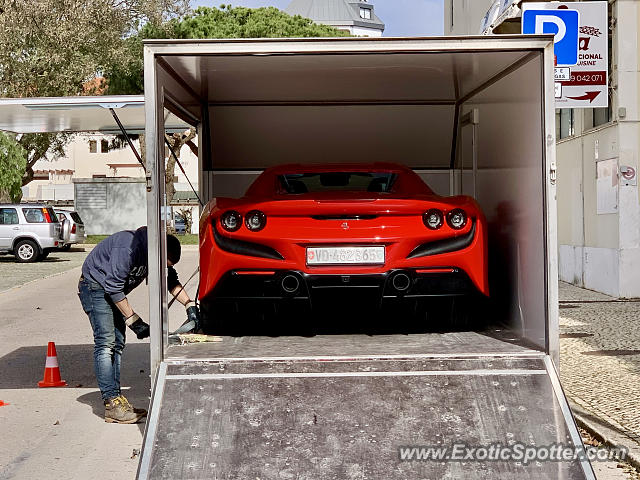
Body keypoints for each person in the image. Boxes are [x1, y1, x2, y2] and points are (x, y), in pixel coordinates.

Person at [78, 226, 200, 424]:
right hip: (95, 287)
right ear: (158, 253)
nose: (164, 268)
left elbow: (171, 282)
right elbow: (113, 287)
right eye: (164, 264)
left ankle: (117, 401)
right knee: (106, 343)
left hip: (110, 289)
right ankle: (111, 402)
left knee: (117, 343)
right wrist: (133, 320)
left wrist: (189, 305)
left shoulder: (157, 253)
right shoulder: (127, 248)